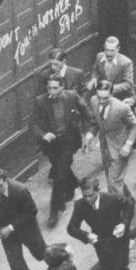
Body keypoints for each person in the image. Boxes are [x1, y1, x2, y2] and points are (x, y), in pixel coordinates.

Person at [32, 75, 92, 226]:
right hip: (51, 144)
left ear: (62, 87)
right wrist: (43, 135)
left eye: (55, 88)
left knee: (59, 175)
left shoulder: (72, 96)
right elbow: (33, 124)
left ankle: (54, 211)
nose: (51, 91)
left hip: (69, 141)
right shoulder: (40, 101)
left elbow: (86, 112)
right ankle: (74, 186)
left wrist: (90, 132)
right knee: (61, 169)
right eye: (49, 88)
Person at [67, 177, 136, 270]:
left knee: (119, 265)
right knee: (106, 268)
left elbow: (129, 205)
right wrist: (86, 236)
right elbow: (71, 228)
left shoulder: (112, 198)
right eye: (85, 196)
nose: (88, 199)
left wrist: (124, 224)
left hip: (118, 237)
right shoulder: (80, 205)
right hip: (100, 240)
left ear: (97, 191)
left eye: (91, 195)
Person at [0, 167, 47, 270]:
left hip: (26, 227)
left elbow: (32, 211)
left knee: (41, 253)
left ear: (5, 180)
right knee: (15, 262)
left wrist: (10, 227)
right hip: (6, 230)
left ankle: (61, 261)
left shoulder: (20, 190)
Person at [87, 80, 136, 195]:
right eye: (99, 97)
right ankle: (125, 200)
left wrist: (128, 144)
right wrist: (90, 135)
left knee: (114, 183)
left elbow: (135, 125)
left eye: (105, 98)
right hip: (104, 146)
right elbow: (95, 121)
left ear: (111, 94)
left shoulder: (122, 108)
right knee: (111, 179)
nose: (101, 101)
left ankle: (118, 210)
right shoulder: (93, 101)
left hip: (120, 148)